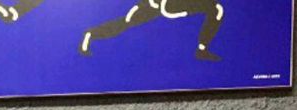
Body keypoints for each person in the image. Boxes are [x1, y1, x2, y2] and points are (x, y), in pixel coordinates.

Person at [79, 0, 224, 61]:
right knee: (127, 21)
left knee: (216, 9)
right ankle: (91, 35)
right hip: (160, 4)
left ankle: (202, 49)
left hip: (164, 5)